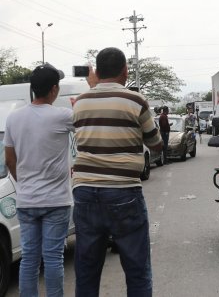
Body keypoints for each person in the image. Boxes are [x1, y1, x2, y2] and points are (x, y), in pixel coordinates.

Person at [72, 47, 162, 296]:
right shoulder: (136, 100)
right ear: (125, 70)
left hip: (85, 192)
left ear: (97, 72)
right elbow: (155, 144)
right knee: (137, 269)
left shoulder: (80, 102)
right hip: (124, 192)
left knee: (87, 270)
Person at [3, 63, 73, 297]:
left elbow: (10, 159)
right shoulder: (62, 116)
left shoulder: (13, 119)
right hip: (56, 201)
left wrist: (22, 183)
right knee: (53, 258)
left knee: (29, 259)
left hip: (27, 200)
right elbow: (87, 121)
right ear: (54, 89)